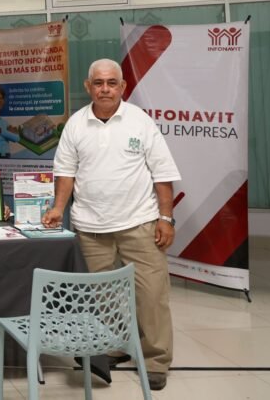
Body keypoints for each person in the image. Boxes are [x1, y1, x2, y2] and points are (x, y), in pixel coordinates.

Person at [42, 58, 180, 392]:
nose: (105, 89)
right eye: (98, 83)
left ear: (123, 87)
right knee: (101, 296)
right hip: (90, 227)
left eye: (112, 83)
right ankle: (113, 346)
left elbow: (162, 174)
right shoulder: (75, 124)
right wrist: (58, 208)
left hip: (140, 223)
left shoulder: (140, 121)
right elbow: (66, 172)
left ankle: (156, 361)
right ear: (88, 87)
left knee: (152, 294)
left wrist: (165, 218)